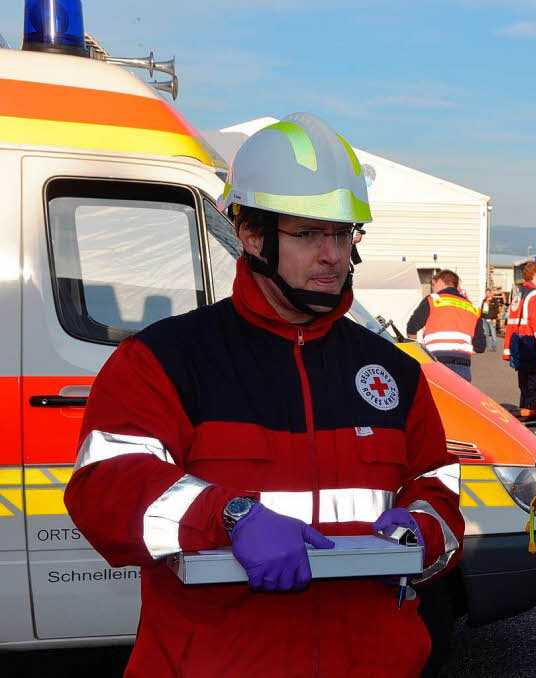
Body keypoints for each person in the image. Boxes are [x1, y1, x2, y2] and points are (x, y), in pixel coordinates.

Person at [64, 113, 464, 678]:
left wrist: (422, 531)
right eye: (308, 233)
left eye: (344, 233)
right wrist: (228, 515)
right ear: (250, 236)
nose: (333, 255)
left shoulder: (392, 371)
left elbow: (437, 488)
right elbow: (104, 490)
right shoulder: (164, 360)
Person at [407, 269, 487, 381]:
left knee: (434, 397)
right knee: (458, 397)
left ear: (440, 282)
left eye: (433, 285)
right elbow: (480, 346)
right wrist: (462, 350)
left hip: (435, 361)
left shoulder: (434, 300)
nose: (433, 288)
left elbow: (412, 327)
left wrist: (416, 352)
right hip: (462, 364)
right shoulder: (472, 308)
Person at [504, 261, 536, 415]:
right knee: (534, 391)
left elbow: (510, 324)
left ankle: (523, 420)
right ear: (535, 275)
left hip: (519, 348)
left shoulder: (519, 294)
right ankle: (531, 424)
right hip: (533, 349)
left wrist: (507, 350)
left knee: (524, 390)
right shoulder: (535, 295)